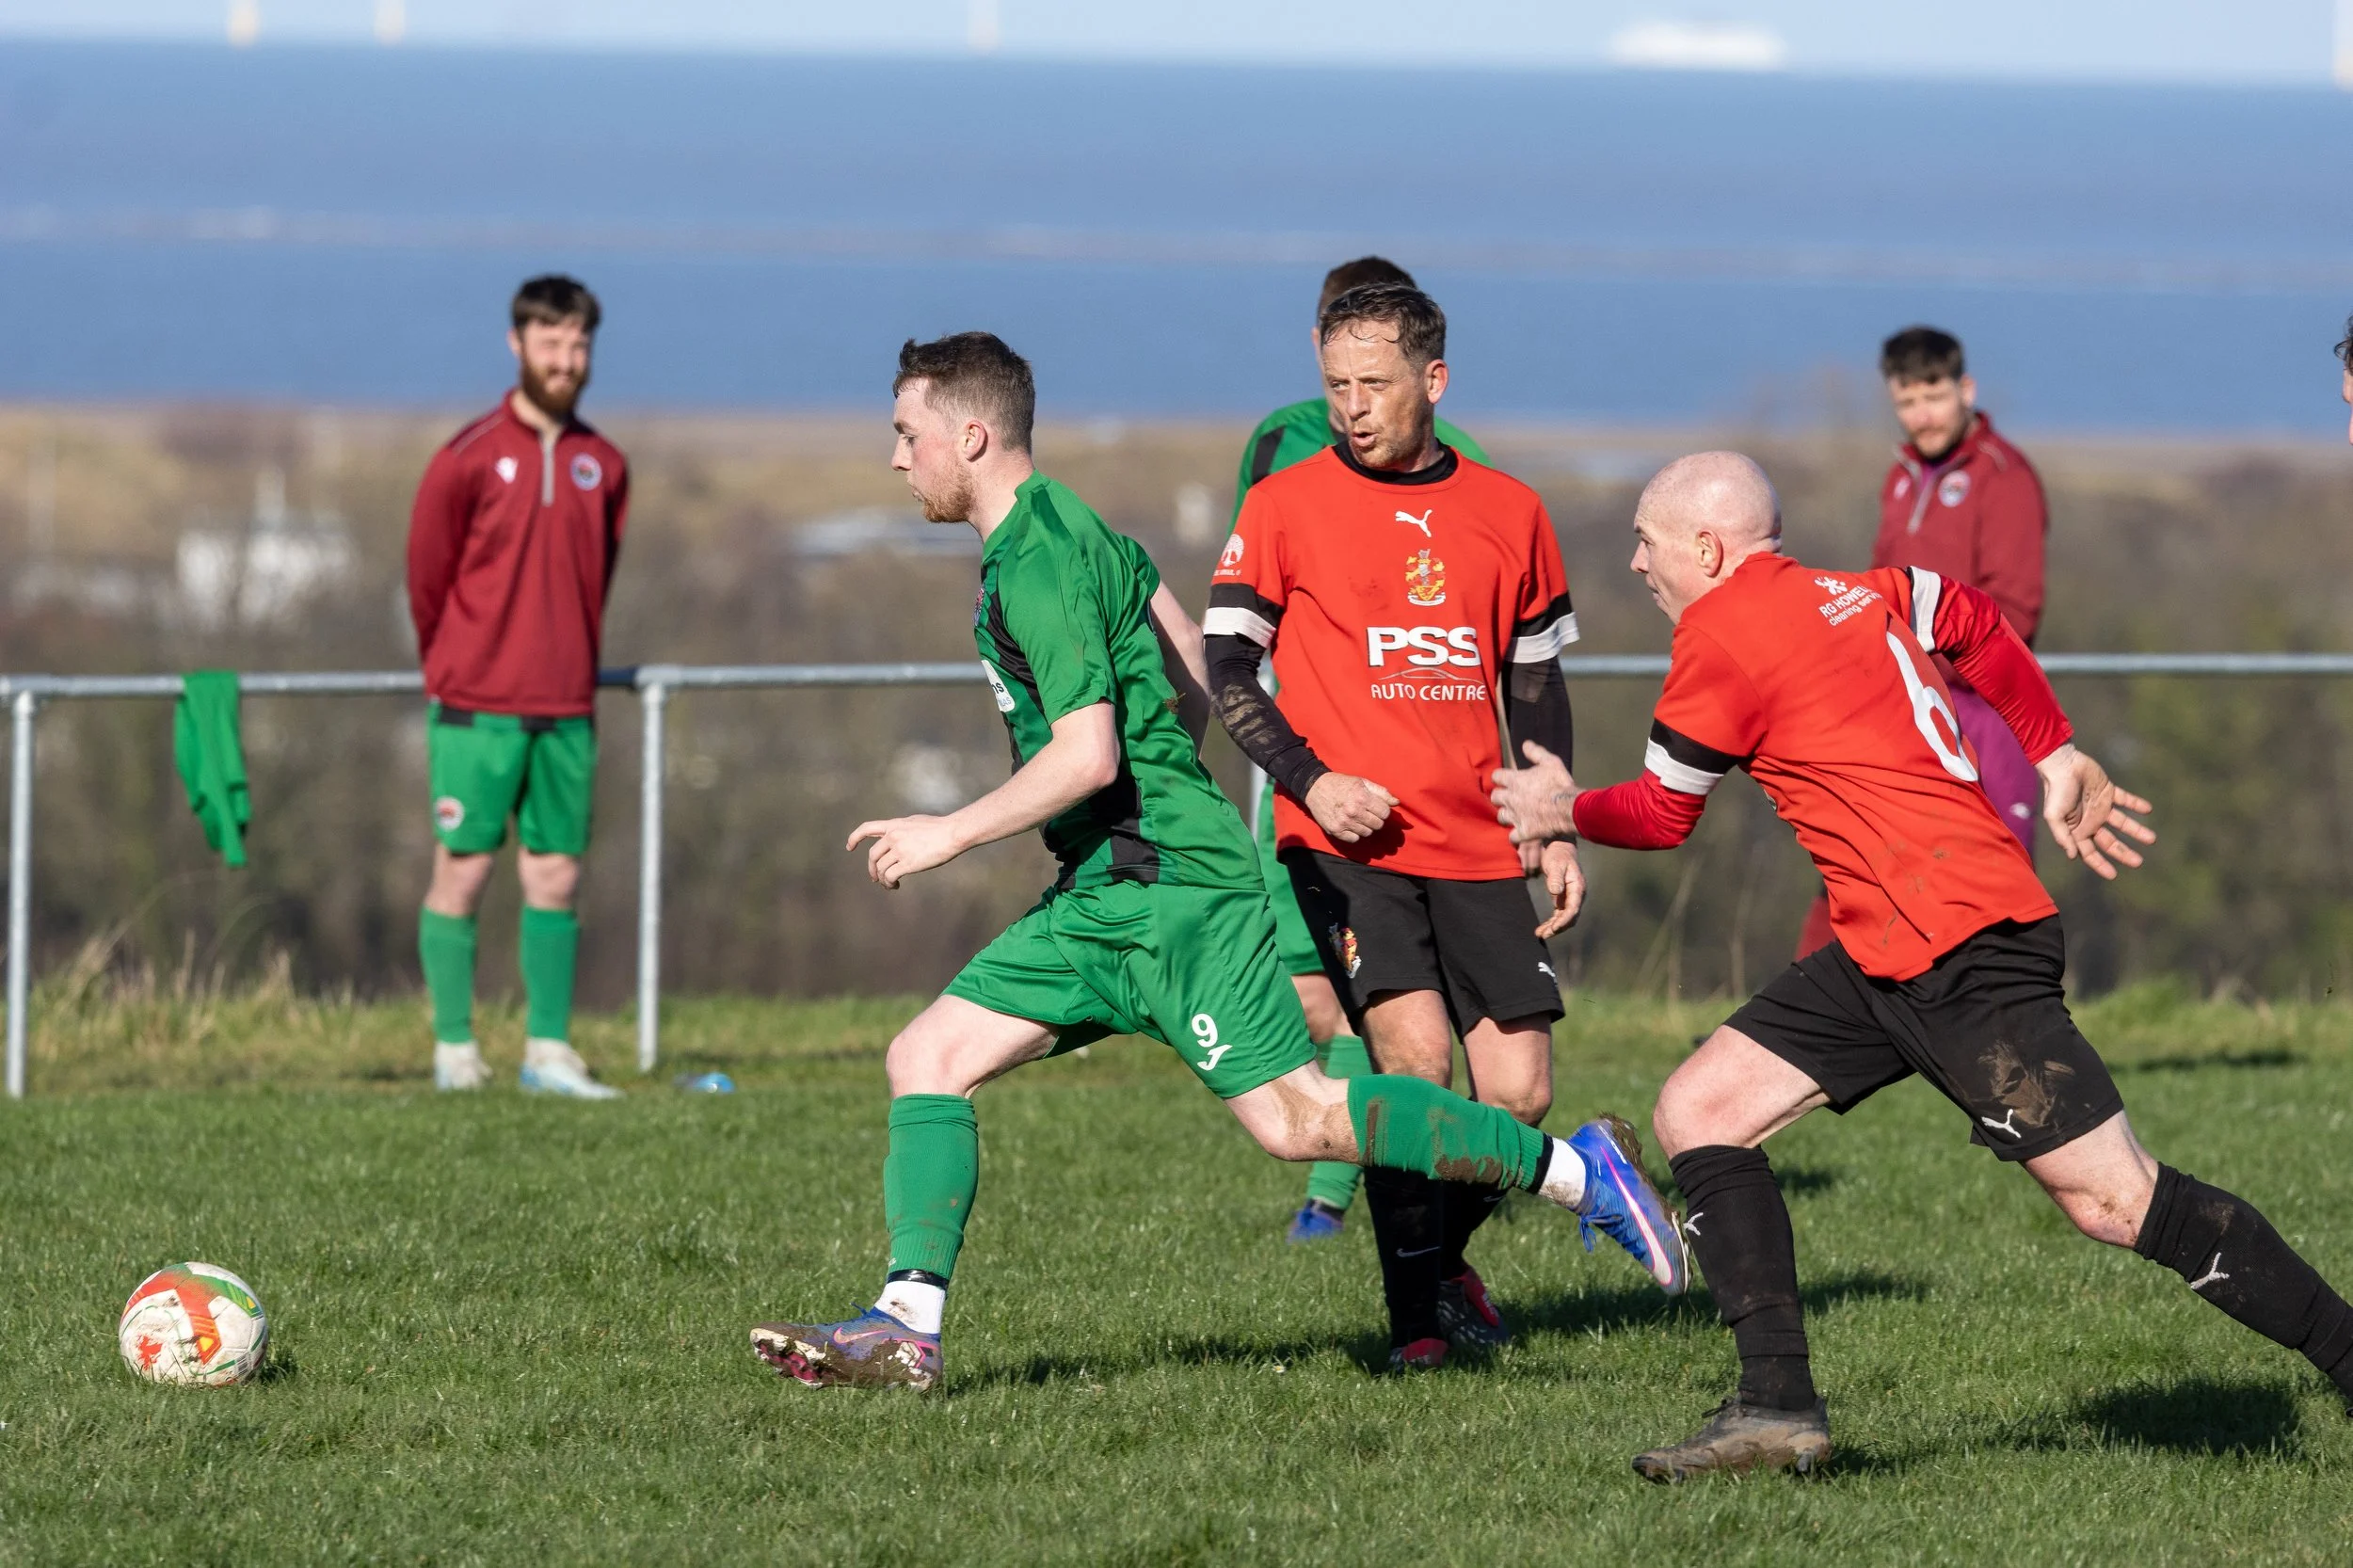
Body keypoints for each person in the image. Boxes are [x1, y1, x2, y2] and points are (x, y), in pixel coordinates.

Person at [750, 332, 1682, 1392]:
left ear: (970, 433)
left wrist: (945, 831)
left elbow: (1088, 750)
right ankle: (905, 1325)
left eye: (906, 433)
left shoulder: (1038, 560)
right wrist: (1164, 789)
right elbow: (1192, 669)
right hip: (1118, 884)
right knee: (927, 1057)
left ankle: (1577, 1172)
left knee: (1304, 1121)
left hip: (1162, 896)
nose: (895, 458)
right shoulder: (1082, 526)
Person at [1491, 452, 2353, 1481]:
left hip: (1961, 947)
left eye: (1646, 538)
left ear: (1707, 550)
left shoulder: (1720, 633)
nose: (1633, 560)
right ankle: (1775, 1409)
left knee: (2115, 1202)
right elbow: (1975, 620)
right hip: (1884, 945)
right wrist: (2053, 748)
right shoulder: (1869, 589)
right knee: (1699, 1109)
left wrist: (1560, 811)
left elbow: (1664, 812)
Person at [1207, 282, 1599, 1370]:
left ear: (1434, 380)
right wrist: (1309, 779)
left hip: (1478, 840)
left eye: (1373, 385)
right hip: (1349, 845)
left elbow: (1535, 680)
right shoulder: (1285, 501)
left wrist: (1554, 818)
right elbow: (1229, 665)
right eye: (1335, 385)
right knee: (1413, 1068)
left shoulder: (1510, 509)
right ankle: (1417, 1331)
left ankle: (1436, 1265)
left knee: (1519, 1092)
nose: (1351, 408)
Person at [1229, 256, 1494, 1247]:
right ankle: (1383, 1181)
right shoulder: (1276, 444)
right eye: (1332, 365)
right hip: (1297, 763)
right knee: (1309, 1002)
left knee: (1394, 1024)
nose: (1348, 400)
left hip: (1413, 783)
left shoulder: (1461, 460)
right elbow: (1248, 589)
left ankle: (1342, 1201)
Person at [407, 275, 629, 1098]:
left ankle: (547, 1052)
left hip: (567, 707)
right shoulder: (465, 458)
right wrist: (458, 666)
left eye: (578, 346)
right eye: (551, 344)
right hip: (475, 709)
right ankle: (455, 1051)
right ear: (517, 344)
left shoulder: (603, 464)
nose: (566, 361)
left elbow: (594, 577)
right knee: (461, 872)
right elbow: (426, 579)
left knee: (557, 877)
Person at [1798, 327, 2047, 958]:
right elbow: (1880, 593)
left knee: (1996, 892)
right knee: (1855, 865)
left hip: (1985, 710)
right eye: (1907, 402)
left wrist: (1911, 657)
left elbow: (2014, 613)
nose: (1922, 416)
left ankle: (2009, 1043)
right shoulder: (1901, 478)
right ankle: (1790, 1039)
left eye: (1934, 396)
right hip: (1902, 706)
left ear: (1966, 388)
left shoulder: (2003, 476)